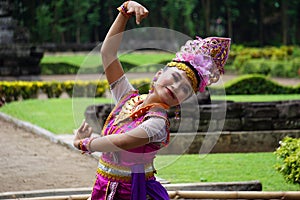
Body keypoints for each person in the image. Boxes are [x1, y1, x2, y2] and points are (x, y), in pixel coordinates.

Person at [73, 1, 231, 199]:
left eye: (184, 89)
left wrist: (84, 143)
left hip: (135, 193)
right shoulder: (127, 97)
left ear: (185, 99)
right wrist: (125, 11)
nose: (175, 87)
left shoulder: (157, 124)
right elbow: (108, 54)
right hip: (103, 188)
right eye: (173, 78)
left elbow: (121, 142)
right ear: (157, 75)